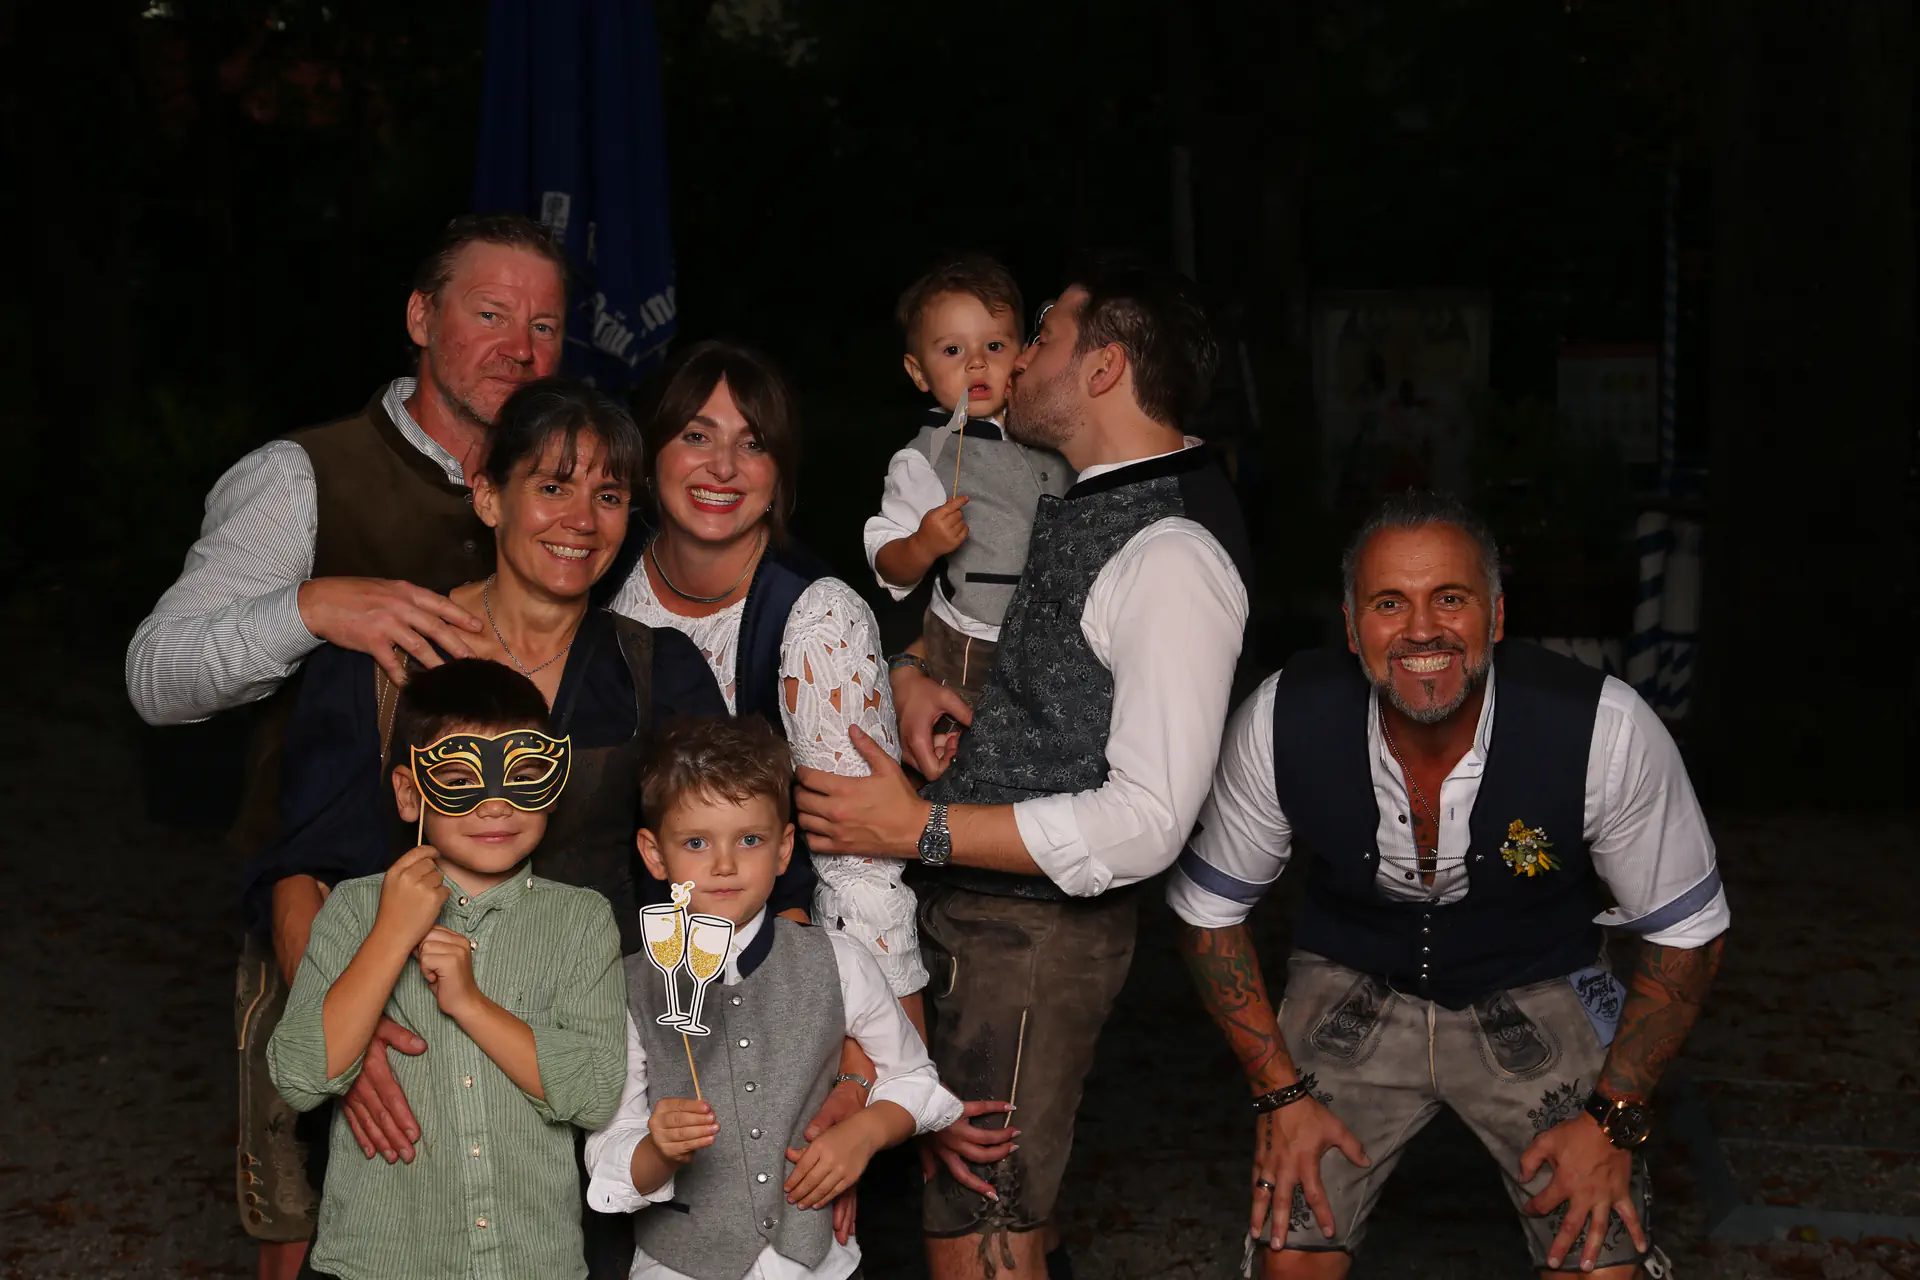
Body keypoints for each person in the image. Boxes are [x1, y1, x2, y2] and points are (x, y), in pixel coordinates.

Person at [794, 256, 1254, 1279]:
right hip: (981, 927)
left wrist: (916, 827)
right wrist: (912, 671)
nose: (1016, 357)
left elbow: (1149, 817)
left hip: (1031, 944)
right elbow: (999, 645)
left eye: (1042, 336)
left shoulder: (1171, 550)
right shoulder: (1082, 496)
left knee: (982, 1234)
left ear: (1104, 368)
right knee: (985, 1218)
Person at [150, 213, 565, 1275]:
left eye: (546, 326)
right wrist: (309, 606)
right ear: (420, 317)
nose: (521, 349)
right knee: (312, 1218)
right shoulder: (304, 476)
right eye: (490, 314)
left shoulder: (573, 490)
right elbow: (158, 677)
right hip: (317, 908)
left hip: (513, 928)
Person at [1169, 491, 1729, 1278]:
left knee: (1600, 1263)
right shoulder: (1281, 717)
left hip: (1539, 974)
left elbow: (1688, 933)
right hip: (1353, 972)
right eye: (1389, 603)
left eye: (1451, 599)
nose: (1422, 629)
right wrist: (1278, 1096)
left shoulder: (1604, 727)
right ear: (1352, 626)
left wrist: (1615, 1121)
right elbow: (1208, 913)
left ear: (1496, 617)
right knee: (1291, 1257)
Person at [242, 378, 727, 1279]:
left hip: (601, 1065)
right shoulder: (385, 659)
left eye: (609, 495)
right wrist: (355, 1037)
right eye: (552, 485)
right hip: (416, 1056)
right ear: (488, 496)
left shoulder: (657, 670)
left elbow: (719, 875)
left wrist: (757, 1074)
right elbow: (301, 867)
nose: (580, 519)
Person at [267, 658, 628, 1280]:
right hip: (379, 1264)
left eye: (523, 775)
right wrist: (391, 934)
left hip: (531, 1265)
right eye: (461, 778)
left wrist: (470, 1003)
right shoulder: (354, 909)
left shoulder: (581, 920)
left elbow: (595, 1094)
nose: (496, 805)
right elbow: (300, 1078)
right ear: (411, 794)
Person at [586, 716, 963, 1280]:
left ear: (784, 849)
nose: (724, 864)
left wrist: (864, 1134)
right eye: (696, 842)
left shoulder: (838, 961)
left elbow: (913, 1077)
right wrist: (658, 1151)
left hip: (821, 1265)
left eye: (750, 840)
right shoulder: (628, 987)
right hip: (678, 1266)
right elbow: (608, 1147)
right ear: (655, 854)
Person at [609, 342, 922, 1011]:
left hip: (764, 974)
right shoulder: (601, 570)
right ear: (651, 454)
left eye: (752, 445)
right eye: (696, 436)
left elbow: (858, 866)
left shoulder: (816, 619)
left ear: (779, 473)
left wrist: (877, 1047)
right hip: (607, 960)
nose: (723, 466)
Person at [863, 255, 1072, 706]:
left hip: (1061, 636)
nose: (976, 364)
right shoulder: (924, 458)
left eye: (994, 346)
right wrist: (921, 545)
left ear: (1023, 353)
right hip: (975, 646)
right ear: (919, 372)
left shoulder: (1049, 428)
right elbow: (886, 559)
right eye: (953, 351)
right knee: (972, 729)